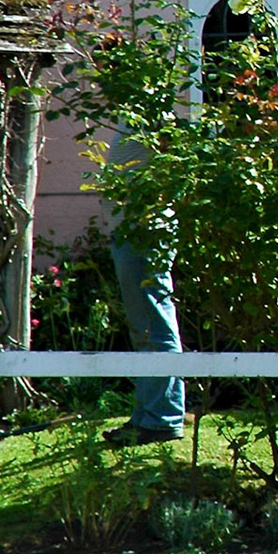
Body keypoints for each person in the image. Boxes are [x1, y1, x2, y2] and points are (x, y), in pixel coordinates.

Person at [103, 132, 185, 445]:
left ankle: (162, 419)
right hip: (130, 230)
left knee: (155, 326)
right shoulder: (131, 108)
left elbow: (172, 163)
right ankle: (146, 416)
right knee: (144, 329)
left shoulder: (150, 108)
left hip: (146, 232)